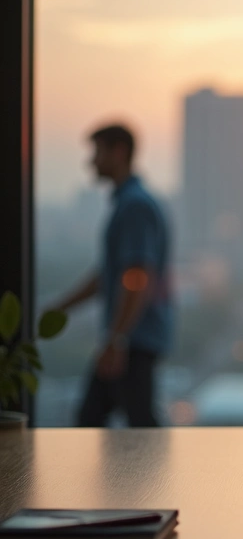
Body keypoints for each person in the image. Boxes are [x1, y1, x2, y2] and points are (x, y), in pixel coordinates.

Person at [52, 124, 172, 427]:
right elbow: (110, 275)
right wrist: (60, 307)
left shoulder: (134, 206)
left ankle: (147, 476)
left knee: (135, 429)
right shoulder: (130, 203)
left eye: (97, 152)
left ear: (119, 152)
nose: (91, 162)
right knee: (119, 423)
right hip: (130, 338)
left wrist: (116, 339)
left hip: (132, 339)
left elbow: (136, 275)